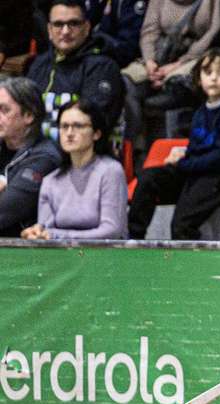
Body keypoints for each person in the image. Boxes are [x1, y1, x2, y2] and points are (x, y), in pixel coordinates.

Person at [127, 47, 220, 240]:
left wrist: (185, 163)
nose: (213, 78)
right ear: (198, 78)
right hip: (196, 170)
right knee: (149, 178)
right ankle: (134, 237)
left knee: (182, 224)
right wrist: (182, 156)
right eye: (208, 72)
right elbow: (197, 148)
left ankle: (189, 265)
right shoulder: (201, 111)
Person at [21, 99, 127, 240]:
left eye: (78, 126)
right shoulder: (51, 180)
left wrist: (58, 236)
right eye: (64, 126)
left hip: (105, 256)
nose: (69, 133)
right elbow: (46, 229)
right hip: (63, 258)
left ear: (96, 133)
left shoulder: (111, 171)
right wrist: (36, 233)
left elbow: (112, 230)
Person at [27, 0, 125, 140]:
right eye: (58, 24)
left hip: (82, 155)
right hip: (36, 153)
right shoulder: (38, 64)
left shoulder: (103, 68)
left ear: (86, 28)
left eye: (73, 24)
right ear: (49, 30)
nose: (65, 31)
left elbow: (91, 127)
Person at [121, 0, 220, 136]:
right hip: (161, 56)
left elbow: (213, 30)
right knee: (126, 80)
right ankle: (133, 142)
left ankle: (175, 140)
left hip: (194, 56)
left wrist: (179, 64)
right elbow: (149, 31)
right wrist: (150, 61)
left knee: (180, 81)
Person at [0, 77, 62, 237]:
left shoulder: (45, 157)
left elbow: (4, 212)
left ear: (29, 115)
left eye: (4, 110)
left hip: (23, 252)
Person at [83, 0, 147, 67]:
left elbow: (127, 48)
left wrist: (96, 40)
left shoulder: (135, 3)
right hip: (102, 50)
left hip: (125, 59)